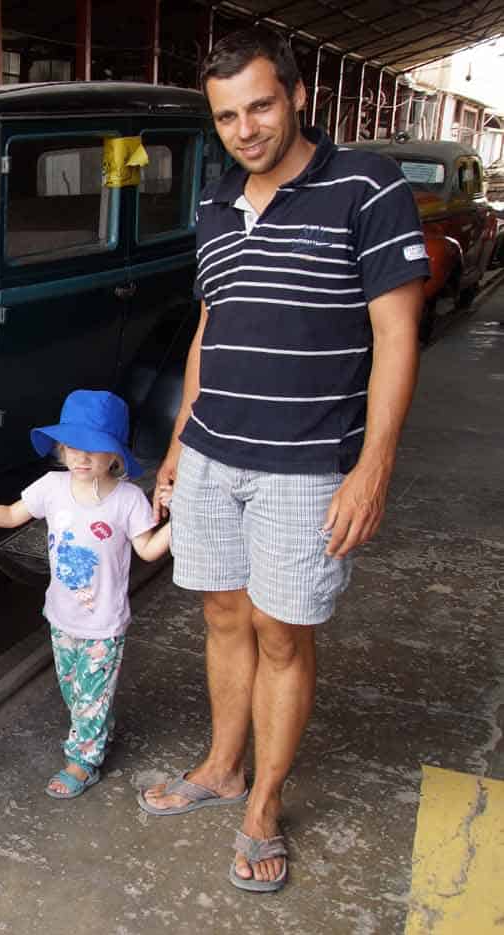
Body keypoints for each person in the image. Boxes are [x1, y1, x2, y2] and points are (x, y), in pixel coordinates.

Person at [138, 26, 428, 894]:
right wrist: (178, 445)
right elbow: (209, 330)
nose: (245, 128)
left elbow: (397, 333)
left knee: (281, 630)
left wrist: (372, 467)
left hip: (306, 467)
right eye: (227, 115)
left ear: (297, 95)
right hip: (214, 456)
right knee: (223, 615)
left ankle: (263, 803)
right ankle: (223, 765)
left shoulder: (367, 188)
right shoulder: (217, 203)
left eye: (259, 105)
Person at [0, 389, 170, 800]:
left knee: (91, 698)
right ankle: (96, 730)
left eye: (92, 450)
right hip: (61, 616)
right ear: (60, 448)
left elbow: (147, 549)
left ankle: (83, 761)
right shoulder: (52, 487)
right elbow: (9, 515)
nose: (80, 458)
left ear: (114, 456)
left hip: (103, 624)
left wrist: (178, 520)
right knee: (75, 690)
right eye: (72, 447)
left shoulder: (128, 500)